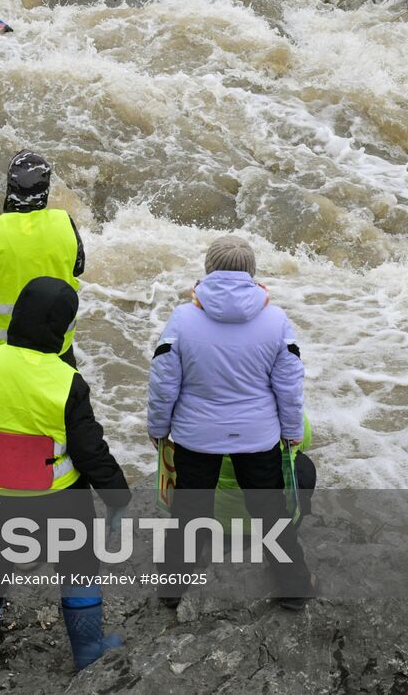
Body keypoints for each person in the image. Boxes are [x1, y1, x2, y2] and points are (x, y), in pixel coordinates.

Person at [0, 277, 130, 682]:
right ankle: (87, 653)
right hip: (57, 500)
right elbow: (89, 450)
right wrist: (117, 495)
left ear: (17, 316)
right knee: (78, 566)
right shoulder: (67, 380)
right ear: (63, 328)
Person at [147, 235, 314, 610]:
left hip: (196, 436)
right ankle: (294, 586)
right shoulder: (275, 320)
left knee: (189, 511)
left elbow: (163, 382)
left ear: (208, 269)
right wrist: (291, 432)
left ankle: (172, 588)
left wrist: (158, 428)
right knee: (270, 511)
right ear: (252, 272)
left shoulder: (183, 318)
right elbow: (289, 386)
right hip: (257, 435)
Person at [0, 151, 85, 362]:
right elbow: (78, 268)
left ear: (10, 187)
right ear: (45, 191)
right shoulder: (65, 223)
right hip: (55, 350)